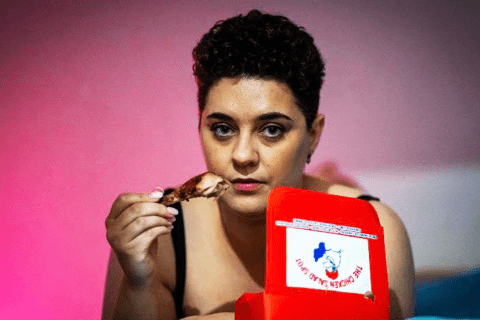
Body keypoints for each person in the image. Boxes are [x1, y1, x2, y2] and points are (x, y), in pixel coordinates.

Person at [103, 10, 415, 320]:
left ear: (314, 135)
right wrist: (138, 283)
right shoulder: (157, 240)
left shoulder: (375, 233)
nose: (242, 155)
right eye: (223, 129)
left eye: (272, 130)